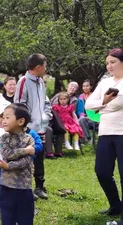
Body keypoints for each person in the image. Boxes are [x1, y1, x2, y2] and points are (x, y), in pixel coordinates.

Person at [85, 48, 123, 221]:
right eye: (107, 63)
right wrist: (104, 102)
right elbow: (88, 106)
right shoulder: (105, 82)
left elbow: (119, 102)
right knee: (102, 172)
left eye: (113, 62)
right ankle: (116, 205)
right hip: (106, 132)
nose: (109, 66)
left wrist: (101, 106)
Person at [14, 53, 51, 200]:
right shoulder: (23, 81)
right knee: (27, 159)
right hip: (29, 129)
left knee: (39, 158)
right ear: (38, 67)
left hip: (41, 127)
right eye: (45, 66)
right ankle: (26, 188)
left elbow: (46, 102)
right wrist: (26, 124)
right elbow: (19, 105)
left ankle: (40, 187)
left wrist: (47, 115)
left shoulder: (41, 82)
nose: (46, 68)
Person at [0, 103, 35, 225]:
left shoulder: (29, 139)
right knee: (7, 219)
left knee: (26, 219)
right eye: (3, 117)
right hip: (6, 187)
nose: (4, 120)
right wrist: (25, 150)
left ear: (21, 121)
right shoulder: (3, 138)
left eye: (8, 117)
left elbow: (27, 161)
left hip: (24, 188)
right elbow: (7, 155)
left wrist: (9, 166)